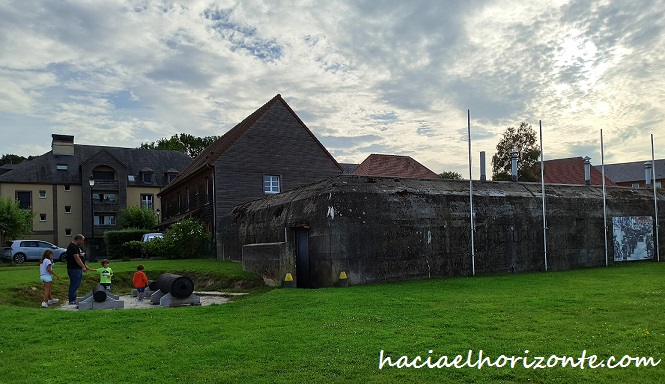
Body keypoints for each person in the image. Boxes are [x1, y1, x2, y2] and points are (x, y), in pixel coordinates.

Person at [66, 234, 91, 304]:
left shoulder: (77, 247)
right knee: (74, 283)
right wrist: (83, 267)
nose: (83, 242)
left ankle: (74, 297)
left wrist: (85, 265)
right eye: (82, 240)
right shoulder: (72, 247)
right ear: (78, 239)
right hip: (74, 268)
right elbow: (76, 258)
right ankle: (71, 299)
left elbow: (80, 258)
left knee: (77, 283)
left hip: (77, 268)